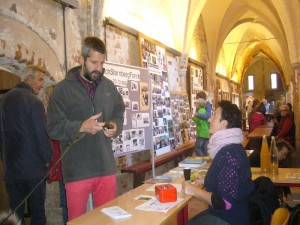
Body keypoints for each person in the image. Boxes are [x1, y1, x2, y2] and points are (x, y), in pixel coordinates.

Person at [47, 37, 125, 221]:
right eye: (94, 62)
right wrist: (80, 126)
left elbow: (119, 111)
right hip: (77, 170)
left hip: (105, 167)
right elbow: (53, 128)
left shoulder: (108, 86)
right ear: (82, 60)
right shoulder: (62, 89)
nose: (99, 67)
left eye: (102, 62)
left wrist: (115, 125)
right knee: (77, 221)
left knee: (106, 220)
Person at [182, 100, 254, 225]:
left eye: (214, 116)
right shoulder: (231, 148)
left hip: (229, 219)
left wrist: (194, 191)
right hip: (227, 216)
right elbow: (230, 183)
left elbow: (225, 202)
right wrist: (206, 182)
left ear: (223, 124)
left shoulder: (229, 154)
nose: (210, 120)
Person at [0, 65, 53, 225]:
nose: (42, 84)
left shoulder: (4, 100)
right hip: (34, 171)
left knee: (16, 216)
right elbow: (42, 136)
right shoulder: (34, 102)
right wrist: (48, 159)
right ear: (29, 79)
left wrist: (5, 159)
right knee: (38, 214)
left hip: (12, 171)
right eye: (40, 80)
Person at [44, 85, 68, 225]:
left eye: (49, 96)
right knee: (64, 202)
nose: (47, 99)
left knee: (67, 202)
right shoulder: (48, 114)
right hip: (57, 164)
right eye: (46, 96)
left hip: (64, 164)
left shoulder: (60, 116)